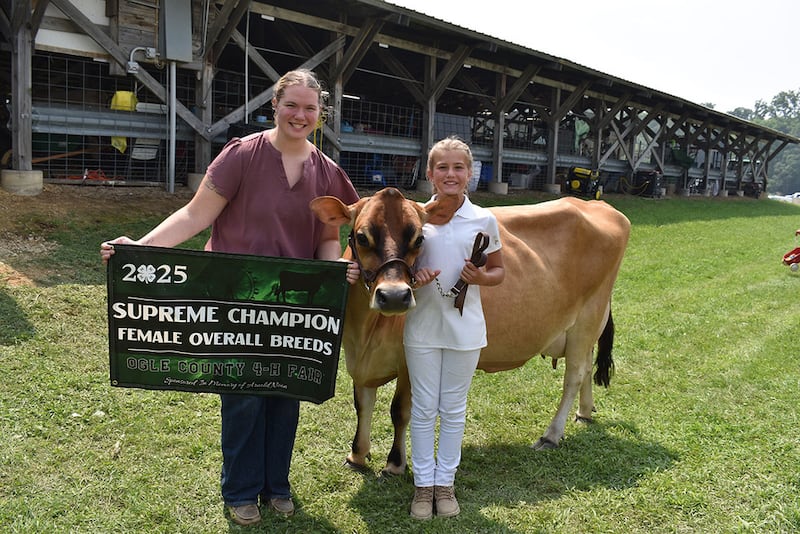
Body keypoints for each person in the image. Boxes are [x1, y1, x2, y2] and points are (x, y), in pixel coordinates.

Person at [99, 69, 360, 526]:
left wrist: (334, 269)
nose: (299, 115)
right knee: (242, 396)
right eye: (291, 105)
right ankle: (241, 489)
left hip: (292, 306)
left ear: (321, 115)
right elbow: (196, 213)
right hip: (234, 301)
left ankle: (276, 484)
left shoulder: (328, 172)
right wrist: (140, 248)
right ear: (274, 106)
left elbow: (326, 241)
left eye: (310, 108)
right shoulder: (242, 155)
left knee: (285, 393)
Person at [403, 136, 505, 519]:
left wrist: (480, 277)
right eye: (442, 167)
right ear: (430, 173)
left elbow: (499, 271)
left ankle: (445, 484)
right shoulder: (415, 217)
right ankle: (422, 487)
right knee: (424, 407)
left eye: (458, 167)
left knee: (454, 408)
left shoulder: (484, 219)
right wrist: (415, 279)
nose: (450, 174)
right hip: (423, 326)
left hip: (465, 329)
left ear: (469, 173)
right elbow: (398, 268)